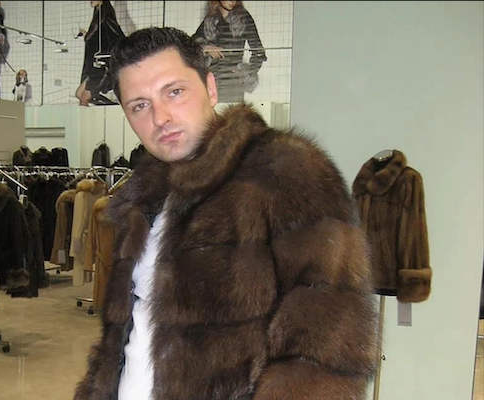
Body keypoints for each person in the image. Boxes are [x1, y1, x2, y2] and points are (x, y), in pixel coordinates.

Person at [75, 27, 378, 399]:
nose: (160, 117)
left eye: (174, 91)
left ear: (211, 87)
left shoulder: (286, 174)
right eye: (140, 105)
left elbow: (328, 347)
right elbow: (122, 340)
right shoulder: (143, 200)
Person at [193, 1, 267, 103]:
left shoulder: (243, 18)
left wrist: (246, 71)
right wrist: (206, 47)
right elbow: (192, 44)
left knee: (232, 112)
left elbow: (259, 52)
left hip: (233, 82)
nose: (233, 1)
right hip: (213, 79)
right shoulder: (211, 18)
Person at [75, 1, 125, 106]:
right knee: (79, 94)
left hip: (101, 65)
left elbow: (117, 34)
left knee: (84, 98)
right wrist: (87, 35)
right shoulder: (98, 13)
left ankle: (111, 107)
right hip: (94, 65)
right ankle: (112, 105)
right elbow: (99, 37)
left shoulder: (106, 12)